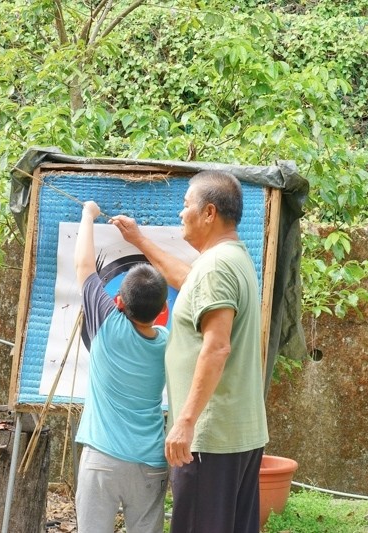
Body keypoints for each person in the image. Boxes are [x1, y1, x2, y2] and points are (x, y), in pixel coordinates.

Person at [110, 170, 269, 533]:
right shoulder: (229, 257)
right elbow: (186, 279)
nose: (181, 213)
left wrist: (185, 422)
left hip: (210, 439)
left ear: (209, 212)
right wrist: (139, 240)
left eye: (186, 205)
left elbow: (217, 346)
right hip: (234, 435)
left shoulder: (215, 267)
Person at [73, 200, 170, 533]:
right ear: (163, 311)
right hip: (151, 462)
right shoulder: (169, 342)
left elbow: (84, 266)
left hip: (102, 459)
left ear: (118, 301)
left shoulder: (107, 322)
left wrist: (88, 215)